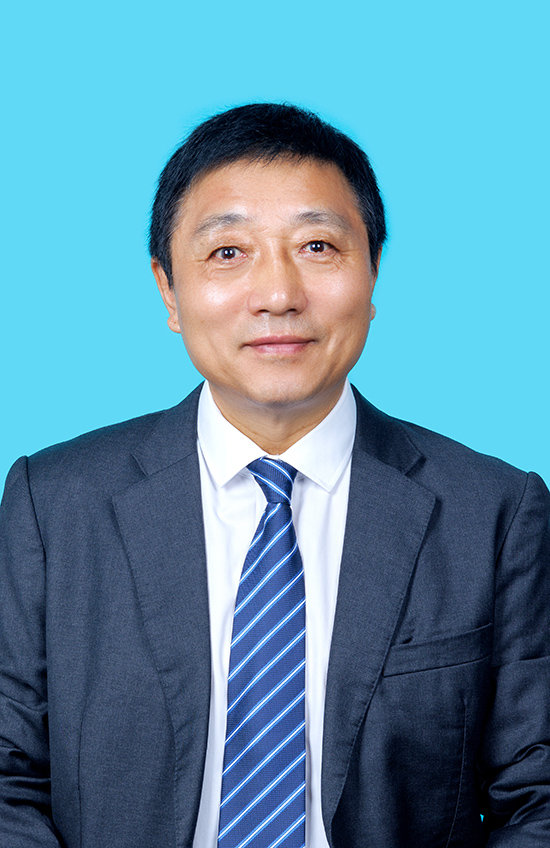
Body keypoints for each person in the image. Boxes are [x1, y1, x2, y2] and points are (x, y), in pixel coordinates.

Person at [0, 103, 549, 848]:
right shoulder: (53, 505)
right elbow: (8, 778)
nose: (278, 294)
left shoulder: (494, 512)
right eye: (228, 252)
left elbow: (538, 798)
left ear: (372, 272)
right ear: (168, 289)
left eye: (318, 246)